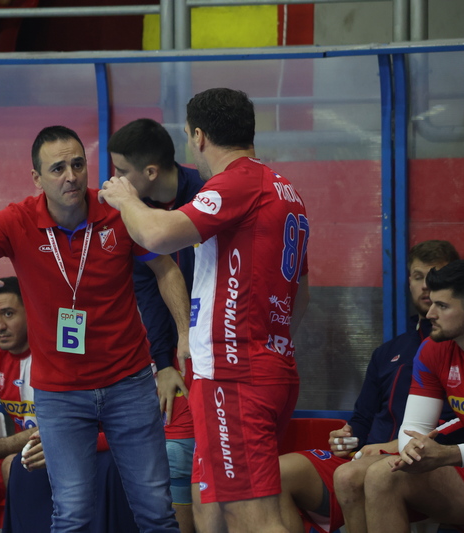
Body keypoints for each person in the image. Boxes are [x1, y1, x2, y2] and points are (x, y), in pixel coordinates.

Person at [0, 125, 190, 532]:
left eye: (77, 165)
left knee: (156, 512)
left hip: (128, 382)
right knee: (71, 515)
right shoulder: (16, 220)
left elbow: (166, 269)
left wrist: (184, 333)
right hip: (60, 393)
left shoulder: (118, 211)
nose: (70, 176)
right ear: (37, 178)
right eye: (57, 169)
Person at [99, 87, 310, 533]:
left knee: (252, 518)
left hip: (237, 373)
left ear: (198, 136)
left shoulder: (236, 183)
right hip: (258, 366)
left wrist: (125, 199)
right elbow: (301, 295)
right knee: (209, 506)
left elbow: (157, 235)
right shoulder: (285, 190)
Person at [0, 276, 138, 533]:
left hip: (79, 449)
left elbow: (58, 430)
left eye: (8, 314)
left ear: (31, 311)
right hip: (26, 454)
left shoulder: (63, 350)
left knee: (15, 463)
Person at [277, 240, 460, 533]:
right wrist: (347, 438)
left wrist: (394, 446)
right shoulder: (388, 352)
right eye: (418, 276)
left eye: (435, 276)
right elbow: (362, 418)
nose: (427, 285)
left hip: (422, 459)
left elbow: (458, 423)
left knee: (365, 475)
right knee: (276, 475)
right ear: (408, 282)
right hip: (365, 457)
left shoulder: (458, 347)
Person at [108, 117, 204, 533]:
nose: (115, 182)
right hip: (178, 354)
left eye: (121, 171)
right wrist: (164, 362)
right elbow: (148, 288)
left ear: (150, 172)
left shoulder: (205, 195)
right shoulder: (133, 213)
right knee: (176, 454)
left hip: (221, 348)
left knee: (219, 469)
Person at [352, 260, 464, 533]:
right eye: (432, 303)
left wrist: (450, 454)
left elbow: (451, 454)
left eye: (442, 306)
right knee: (380, 476)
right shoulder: (433, 350)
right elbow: (415, 426)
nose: (430, 314)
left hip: (462, 458)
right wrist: (414, 451)